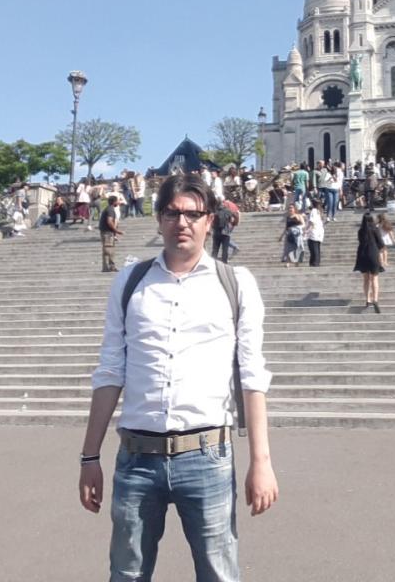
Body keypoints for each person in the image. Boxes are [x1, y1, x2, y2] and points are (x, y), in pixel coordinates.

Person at [78, 175, 277, 581]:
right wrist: (89, 456)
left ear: (210, 221)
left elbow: (252, 376)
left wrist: (261, 462)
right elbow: (110, 370)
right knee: (127, 573)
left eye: (193, 214)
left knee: (218, 573)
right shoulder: (131, 281)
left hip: (206, 455)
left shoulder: (236, 284)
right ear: (158, 219)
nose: (182, 222)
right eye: (172, 213)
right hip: (136, 457)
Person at [353, 213, 385, 313]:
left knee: (366, 279)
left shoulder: (360, 231)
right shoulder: (375, 230)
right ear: (372, 220)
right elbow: (381, 244)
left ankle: (367, 299)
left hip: (362, 254)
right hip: (373, 254)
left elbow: (360, 241)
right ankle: (375, 299)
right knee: (374, 278)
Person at [99, 195, 123, 272]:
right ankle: (109, 266)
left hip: (106, 232)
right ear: (114, 202)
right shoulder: (110, 210)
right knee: (109, 250)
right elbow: (109, 221)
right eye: (118, 201)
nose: (119, 202)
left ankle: (107, 267)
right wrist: (116, 230)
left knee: (108, 249)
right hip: (107, 233)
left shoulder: (108, 209)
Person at [280, 204, 305, 268]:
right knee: (288, 249)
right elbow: (286, 227)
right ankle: (288, 262)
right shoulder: (288, 217)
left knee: (297, 248)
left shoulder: (299, 216)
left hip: (297, 235)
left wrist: (296, 228)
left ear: (295, 209)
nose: (290, 209)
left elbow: (303, 224)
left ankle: (297, 262)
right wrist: (281, 236)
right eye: (289, 208)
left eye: (292, 208)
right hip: (289, 234)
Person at [305, 199, 324, 267]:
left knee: (313, 247)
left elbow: (311, 222)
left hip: (314, 231)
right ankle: (316, 262)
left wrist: (306, 230)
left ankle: (314, 262)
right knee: (317, 247)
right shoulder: (320, 211)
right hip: (319, 231)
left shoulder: (313, 211)